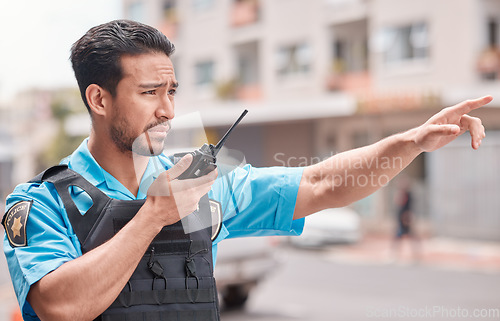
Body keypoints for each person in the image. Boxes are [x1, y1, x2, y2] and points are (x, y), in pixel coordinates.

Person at [1, 19, 491, 321]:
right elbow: (60, 307)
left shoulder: (196, 185)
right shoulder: (39, 203)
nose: (168, 111)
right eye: (150, 93)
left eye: (172, 92)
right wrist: (154, 215)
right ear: (99, 98)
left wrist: (410, 141)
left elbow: (320, 183)